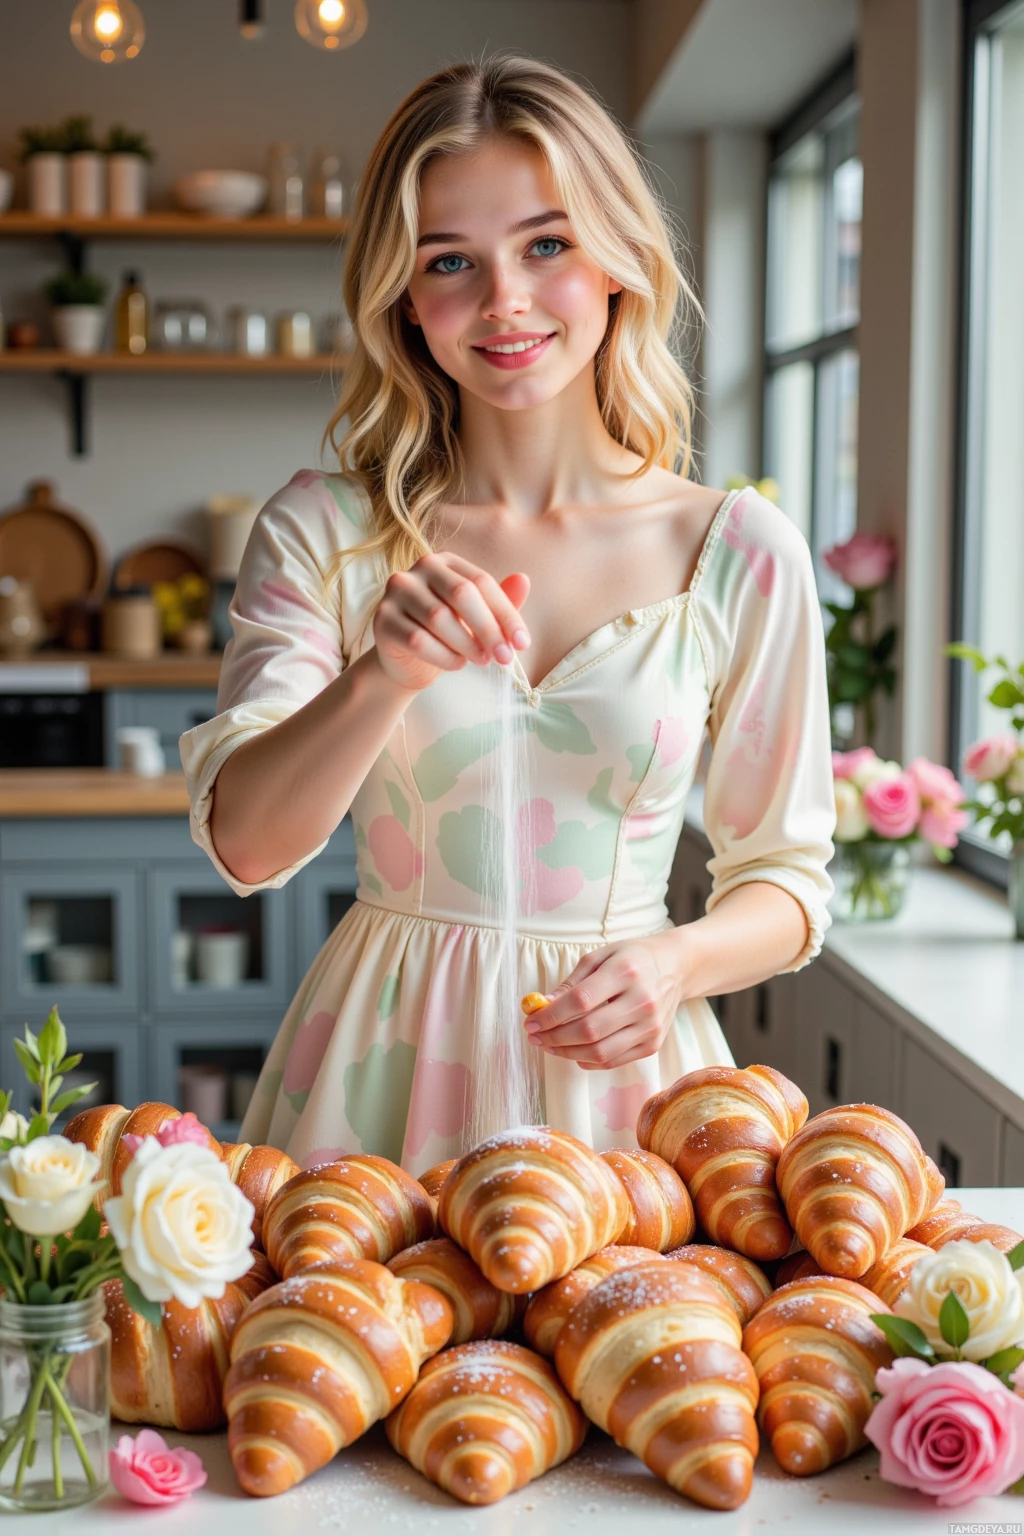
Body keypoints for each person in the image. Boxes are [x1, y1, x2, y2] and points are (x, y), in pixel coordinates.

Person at [179, 52, 836, 1176]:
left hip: (627, 1081)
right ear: (405, 298)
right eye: (450, 262)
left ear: (618, 258)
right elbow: (246, 845)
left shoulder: (737, 552)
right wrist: (380, 672)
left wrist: (674, 963)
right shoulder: (325, 534)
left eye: (546, 244)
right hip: (377, 1078)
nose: (505, 301)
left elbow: (786, 880)